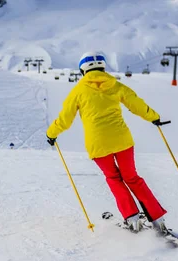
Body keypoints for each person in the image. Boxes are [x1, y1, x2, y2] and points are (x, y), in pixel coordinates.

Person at [46, 51, 168, 233]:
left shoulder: (78, 91)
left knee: (113, 178)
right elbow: (137, 104)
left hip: (98, 145)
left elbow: (65, 119)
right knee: (132, 178)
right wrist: (154, 117)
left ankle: (133, 219)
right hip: (122, 141)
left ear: (83, 70)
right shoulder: (115, 85)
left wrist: (51, 134)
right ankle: (158, 218)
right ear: (102, 67)